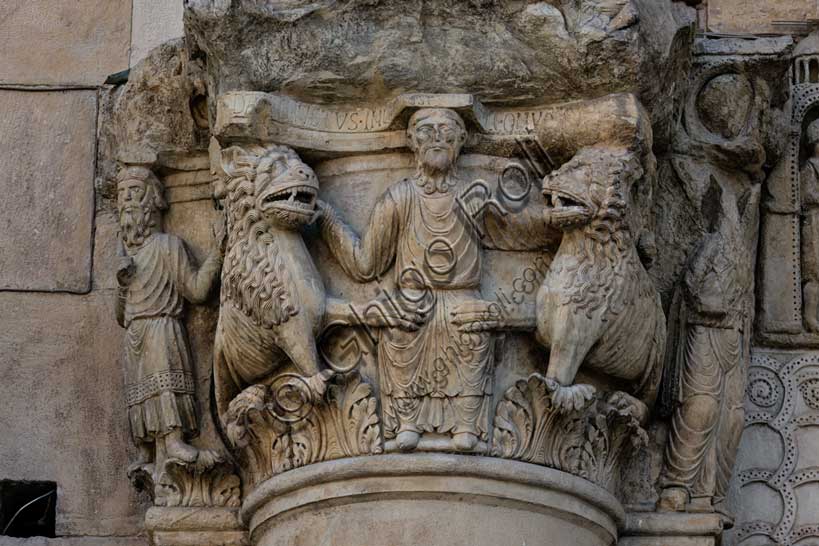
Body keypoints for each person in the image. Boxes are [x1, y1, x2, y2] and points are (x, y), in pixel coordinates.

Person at [115, 165, 224, 468]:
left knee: (165, 388)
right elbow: (120, 316)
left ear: (152, 205)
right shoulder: (128, 258)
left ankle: (174, 442)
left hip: (163, 329)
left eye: (134, 194)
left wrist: (217, 251)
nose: (127, 202)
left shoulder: (168, 246)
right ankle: (146, 449)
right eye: (122, 197)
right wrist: (122, 285)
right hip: (136, 333)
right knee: (141, 393)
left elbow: (197, 291)